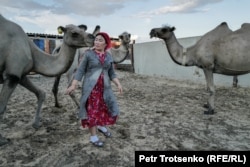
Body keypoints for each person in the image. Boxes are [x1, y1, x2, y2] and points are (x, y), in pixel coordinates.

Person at [66, 32, 123, 147]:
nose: (96, 42)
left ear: (106, 43)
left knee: (103, 109)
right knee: (92, 112)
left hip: (105, 89)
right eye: (96, 40)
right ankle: (93, 137)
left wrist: (118, 83)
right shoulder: (88, 54)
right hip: (91, 89)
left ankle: (101, 126)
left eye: (100, 40)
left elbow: (111, 73)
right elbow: (80, 70)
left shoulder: (108, 56)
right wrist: (73, 84)